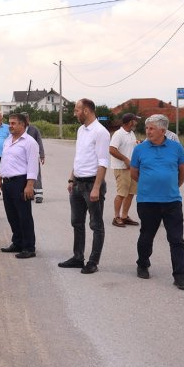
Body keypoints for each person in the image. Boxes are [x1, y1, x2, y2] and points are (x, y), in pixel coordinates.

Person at [129, 114, 184, 290]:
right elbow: (134, 172)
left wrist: (171, 186)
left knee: (176, 239)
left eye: (151, 128)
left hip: (172, 201)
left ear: (163, 131)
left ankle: (180, 276)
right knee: (147, 235)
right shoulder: (139, 149)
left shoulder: (176, 148)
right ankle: (142, 264)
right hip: (147, 201)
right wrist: (150, 184)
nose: (148, 131)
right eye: (147, 128)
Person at [58, 98, 111, 274]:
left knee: (96, 225)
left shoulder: (100, 132)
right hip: (78, 183)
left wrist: (96, 187)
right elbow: (80, 157)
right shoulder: (82, 130)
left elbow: (103, 162)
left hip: (92, 184)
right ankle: (78, 257)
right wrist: (71, 179)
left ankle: (93, 261)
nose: (75, 113)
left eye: (76, 110)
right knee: (77, 222)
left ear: (86, 111)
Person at [0, 113, 40, 258]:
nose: (10, 126)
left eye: (13, 123)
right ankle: (17, 242)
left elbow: (33, 165)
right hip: (7, 182)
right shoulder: (8, 140)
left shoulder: (30, 142)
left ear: (22, 124)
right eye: (10, 123)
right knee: (12, 215)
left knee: (24, 216)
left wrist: (30, 185)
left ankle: (29, 247)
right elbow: (4, 160)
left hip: (21, 182)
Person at [109, 113, 140, 227]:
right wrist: (125, 159)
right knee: (122, 193)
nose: (136, 122)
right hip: (121, 168)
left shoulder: (131, 133)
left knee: (131, 193)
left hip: (132, 168)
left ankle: (124, 216)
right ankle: (116, 217)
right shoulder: (118, 134)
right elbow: (112, 149)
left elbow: (130, 147)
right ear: (130, 122)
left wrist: (138, 143)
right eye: (135, 120)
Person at [24, 114, 46, 203]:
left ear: (28, 119)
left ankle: (39, 195)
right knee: (25, 175)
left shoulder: (34, 129)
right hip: (23, 157)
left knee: (36, 175)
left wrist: (42, 155)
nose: (25, 120)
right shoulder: (19, 130)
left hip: (34, 156)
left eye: (26, 118)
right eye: (23, 118)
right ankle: (30, 194)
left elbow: (39, 141)